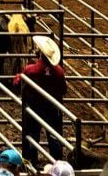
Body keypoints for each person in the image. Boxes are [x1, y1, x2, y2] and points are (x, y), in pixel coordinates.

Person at [15, 35, 68, 164]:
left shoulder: (30, 70)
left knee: (32, 134)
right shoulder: (59, 71)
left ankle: (30, 162)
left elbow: (18, 83)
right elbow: (63, 90)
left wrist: (17, 77)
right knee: (54, 136)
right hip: (52, 108)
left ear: (39, 53)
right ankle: (57, 162)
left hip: (34, 108)